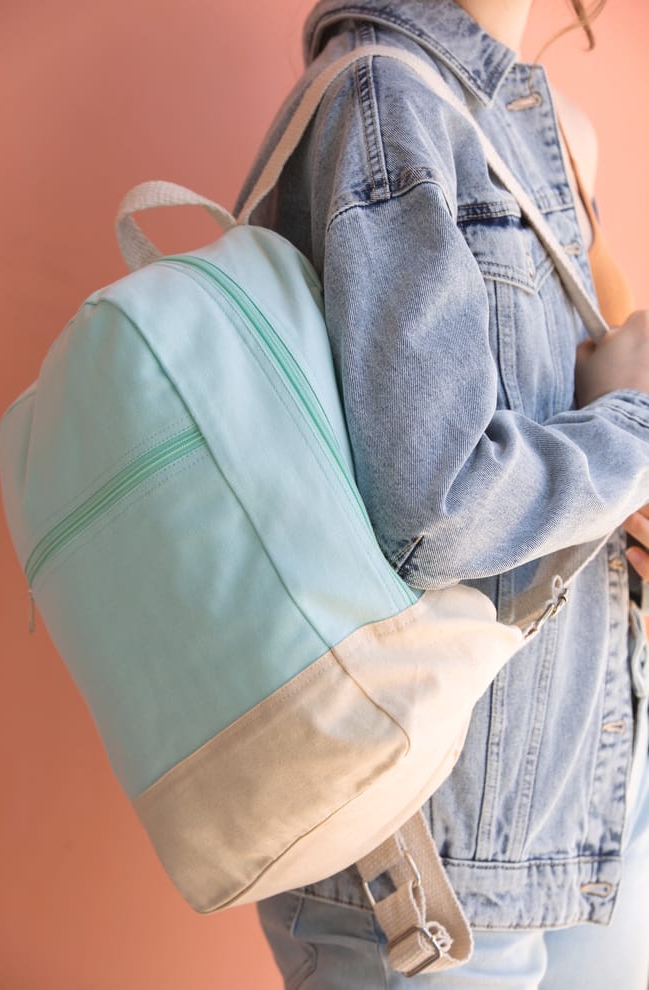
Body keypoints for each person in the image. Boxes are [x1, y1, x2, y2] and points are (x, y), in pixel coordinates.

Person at [236, 0, 649, 985]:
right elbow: (437, 509)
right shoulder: (384, 98)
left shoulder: (529, 121)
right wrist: (636, 420)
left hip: (578, 799)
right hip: (433, 857)